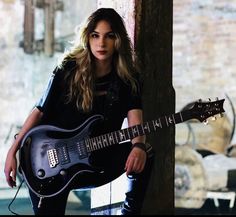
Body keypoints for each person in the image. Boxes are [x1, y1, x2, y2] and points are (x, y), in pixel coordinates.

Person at [4, 8, 154, 215]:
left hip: (93, 161)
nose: (101, 43)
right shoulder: (67, 68)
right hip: (48, 162)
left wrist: (138, 146)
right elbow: (39, 111)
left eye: (109, 36)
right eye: (95, 35)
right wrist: (12, 151)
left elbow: (136, 119)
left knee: (145, 153)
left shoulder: (129, 79)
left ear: (118, 40)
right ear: (87, 37)